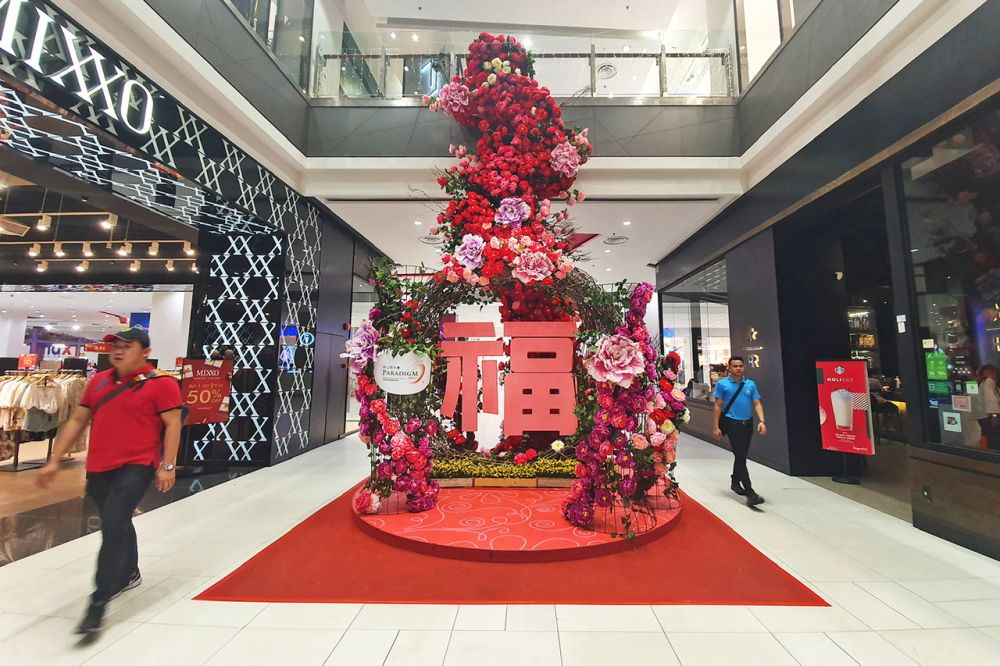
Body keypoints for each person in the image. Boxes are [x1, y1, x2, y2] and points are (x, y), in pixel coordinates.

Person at [36, 327, 183, 635]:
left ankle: (99, 600)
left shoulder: (162, 384)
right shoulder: (99, 382)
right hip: (99, 467)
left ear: (144, 351)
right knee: (115, 521)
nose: (117, 351)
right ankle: (129, 571)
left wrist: (167, 465)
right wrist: (54, 460)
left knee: (113, 523)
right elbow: (78, 419)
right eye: (114, 346)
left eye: (126, 346)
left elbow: (172, 426)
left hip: (138, 465)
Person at [712, 356, 766, 506]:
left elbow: (757, 403)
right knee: (741, 456)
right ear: (729, 367)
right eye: (735, 366)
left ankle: (735, 482)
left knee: (741, 455)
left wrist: (762, 421)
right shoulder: (722, 384)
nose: (738, 368)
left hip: (747, 423)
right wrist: (716, 427)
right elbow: (717, 406)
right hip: (731, 423)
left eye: (740, 366)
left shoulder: (750, 384)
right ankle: (750, 493)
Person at [972, 364, 1000, 450]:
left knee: (985, 431)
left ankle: (984, 448)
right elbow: (990, 397)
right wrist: (995, 413)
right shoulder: (989, 380)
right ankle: (986, 449)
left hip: (980, 413)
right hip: (987, 413)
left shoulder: (980, 381)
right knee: (987, 432)